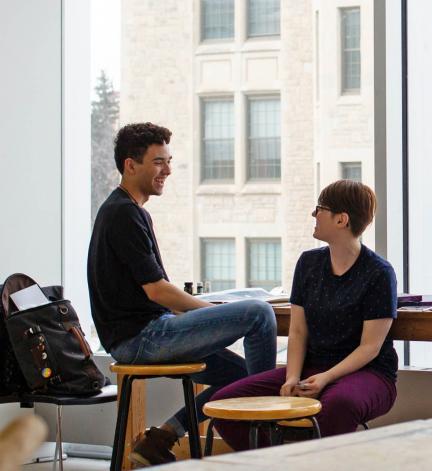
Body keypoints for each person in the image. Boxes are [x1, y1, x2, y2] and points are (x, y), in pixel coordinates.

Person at [88, 123, 277, 466]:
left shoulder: (129, 211)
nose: (168, 171)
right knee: (258, 313)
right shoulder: (123, 214)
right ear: (131, 165)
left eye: (169, 161)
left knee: (240, 376)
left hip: (144, 333)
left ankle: (163, 436)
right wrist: (209, 310)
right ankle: (266, 438)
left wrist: (208, 315)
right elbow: (157, 290)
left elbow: (148, 292)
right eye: (159, 162)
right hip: (142, 339)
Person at [210, 180, 398, 450]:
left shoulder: (379, 273)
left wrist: (326, 377)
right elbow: (298, 332)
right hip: (311, 370)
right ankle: (276, 464)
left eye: (320, 208)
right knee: (223, 403)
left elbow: (370, 348)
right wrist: (291, 377)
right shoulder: (308, 263)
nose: (314, 214)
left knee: (337, 406)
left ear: (341, 219)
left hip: (369, 374)